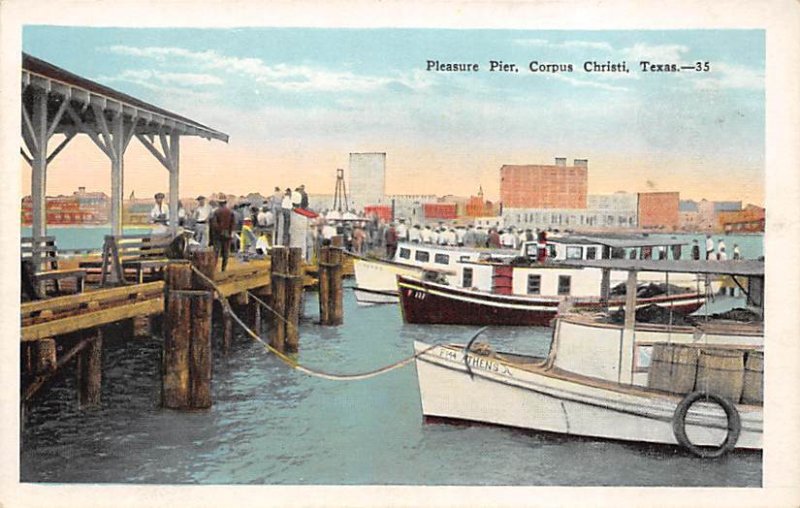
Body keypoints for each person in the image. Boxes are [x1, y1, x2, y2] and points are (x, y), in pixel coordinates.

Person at [210, 197, 235, 271]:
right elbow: (233, 224)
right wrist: (229, 232)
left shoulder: (216, 212)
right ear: (225, 203)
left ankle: (214, 268)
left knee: (216, 252)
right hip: (227, 234)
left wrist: (218, 231)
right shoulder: (230, 212)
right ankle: (223, 268)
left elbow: (214, 224)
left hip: (218, 235)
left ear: (219, 203)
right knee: (226, 252)